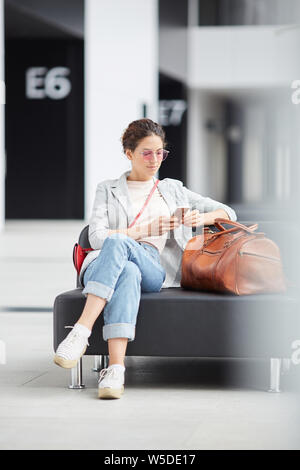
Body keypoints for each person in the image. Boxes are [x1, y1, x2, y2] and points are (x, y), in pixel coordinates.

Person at [54, 118, 237, 399]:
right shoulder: (107, 189)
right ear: (129, 154)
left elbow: (228, 212)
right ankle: (115, 371)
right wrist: (143, 230)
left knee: (124, 248)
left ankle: (81, 331)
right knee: (125, 266)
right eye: (147, 153)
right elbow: (96, 237)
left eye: (160, 152)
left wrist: (203, 217)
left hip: (153, 267)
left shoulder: (173, 189)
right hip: (105, 263)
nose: (155, 160)